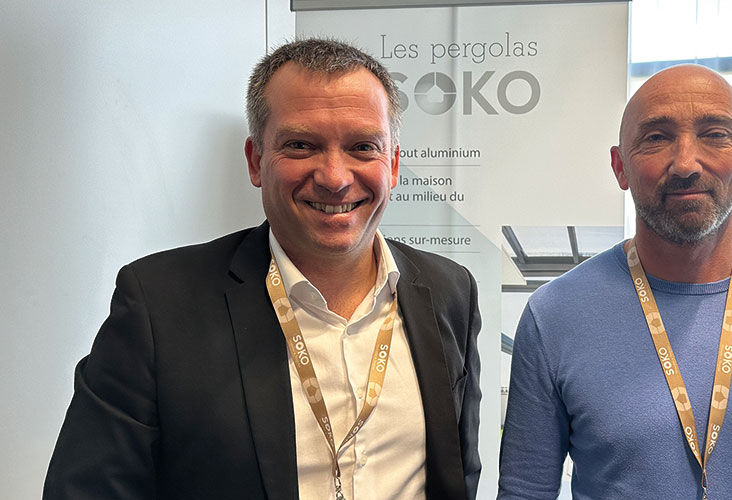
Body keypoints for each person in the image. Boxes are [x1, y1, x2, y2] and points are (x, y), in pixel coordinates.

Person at [44, 39, 481, 500]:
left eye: (362, 147)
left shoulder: (450, 291)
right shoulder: (158, 306)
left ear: (392, 164)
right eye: (301, 145)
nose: (335, 177)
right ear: (256, 161)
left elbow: (458, 475)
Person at [498, 64, 732, 499]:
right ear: (620, 167)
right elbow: (524, 492)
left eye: (715, 134)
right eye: (656, 137)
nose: (684, 163)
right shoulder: (555, 315)